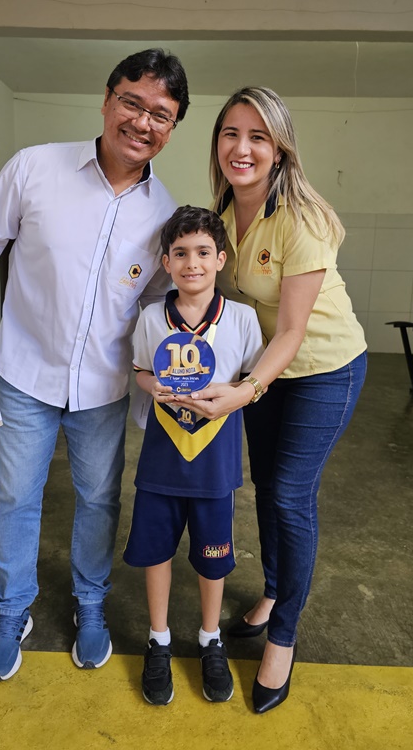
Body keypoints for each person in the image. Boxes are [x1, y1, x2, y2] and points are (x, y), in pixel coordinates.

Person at [0, 48, 190, 681]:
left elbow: (154, 303)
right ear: (107, 99)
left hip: (104, 388)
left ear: (172, 128)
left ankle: (91, 603)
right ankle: (11, 611)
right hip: (24, 375)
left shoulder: (164, 214)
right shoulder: (35, 166)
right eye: (132, 103)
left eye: (160, 115)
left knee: (99, 500)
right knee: (14, 496)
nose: (142, 122)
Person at [174, 87, 367, 714]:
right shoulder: (221, 214)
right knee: (265, 486)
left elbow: (290, 330)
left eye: (258, 136)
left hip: (324, 369)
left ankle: (283, 634)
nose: (242, 148)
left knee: (289, 493)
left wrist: (243, 391)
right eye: (231, 133)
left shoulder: (302, 219)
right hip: (265, 372)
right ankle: (275, 589)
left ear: (279, 149)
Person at [123, 206, 263, 706]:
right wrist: (153, 386)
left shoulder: (242, 319)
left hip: (214, 466)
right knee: (156, 552)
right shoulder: (151, 318)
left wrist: (234, 394)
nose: (192, 263)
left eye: (203, 252)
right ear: (166, 261)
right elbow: (140, 371)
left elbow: (254, 382)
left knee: (212, 559)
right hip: (161, 462)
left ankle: (210, 638)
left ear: (221, 259)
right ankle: (158, 638)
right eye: (180, 253)